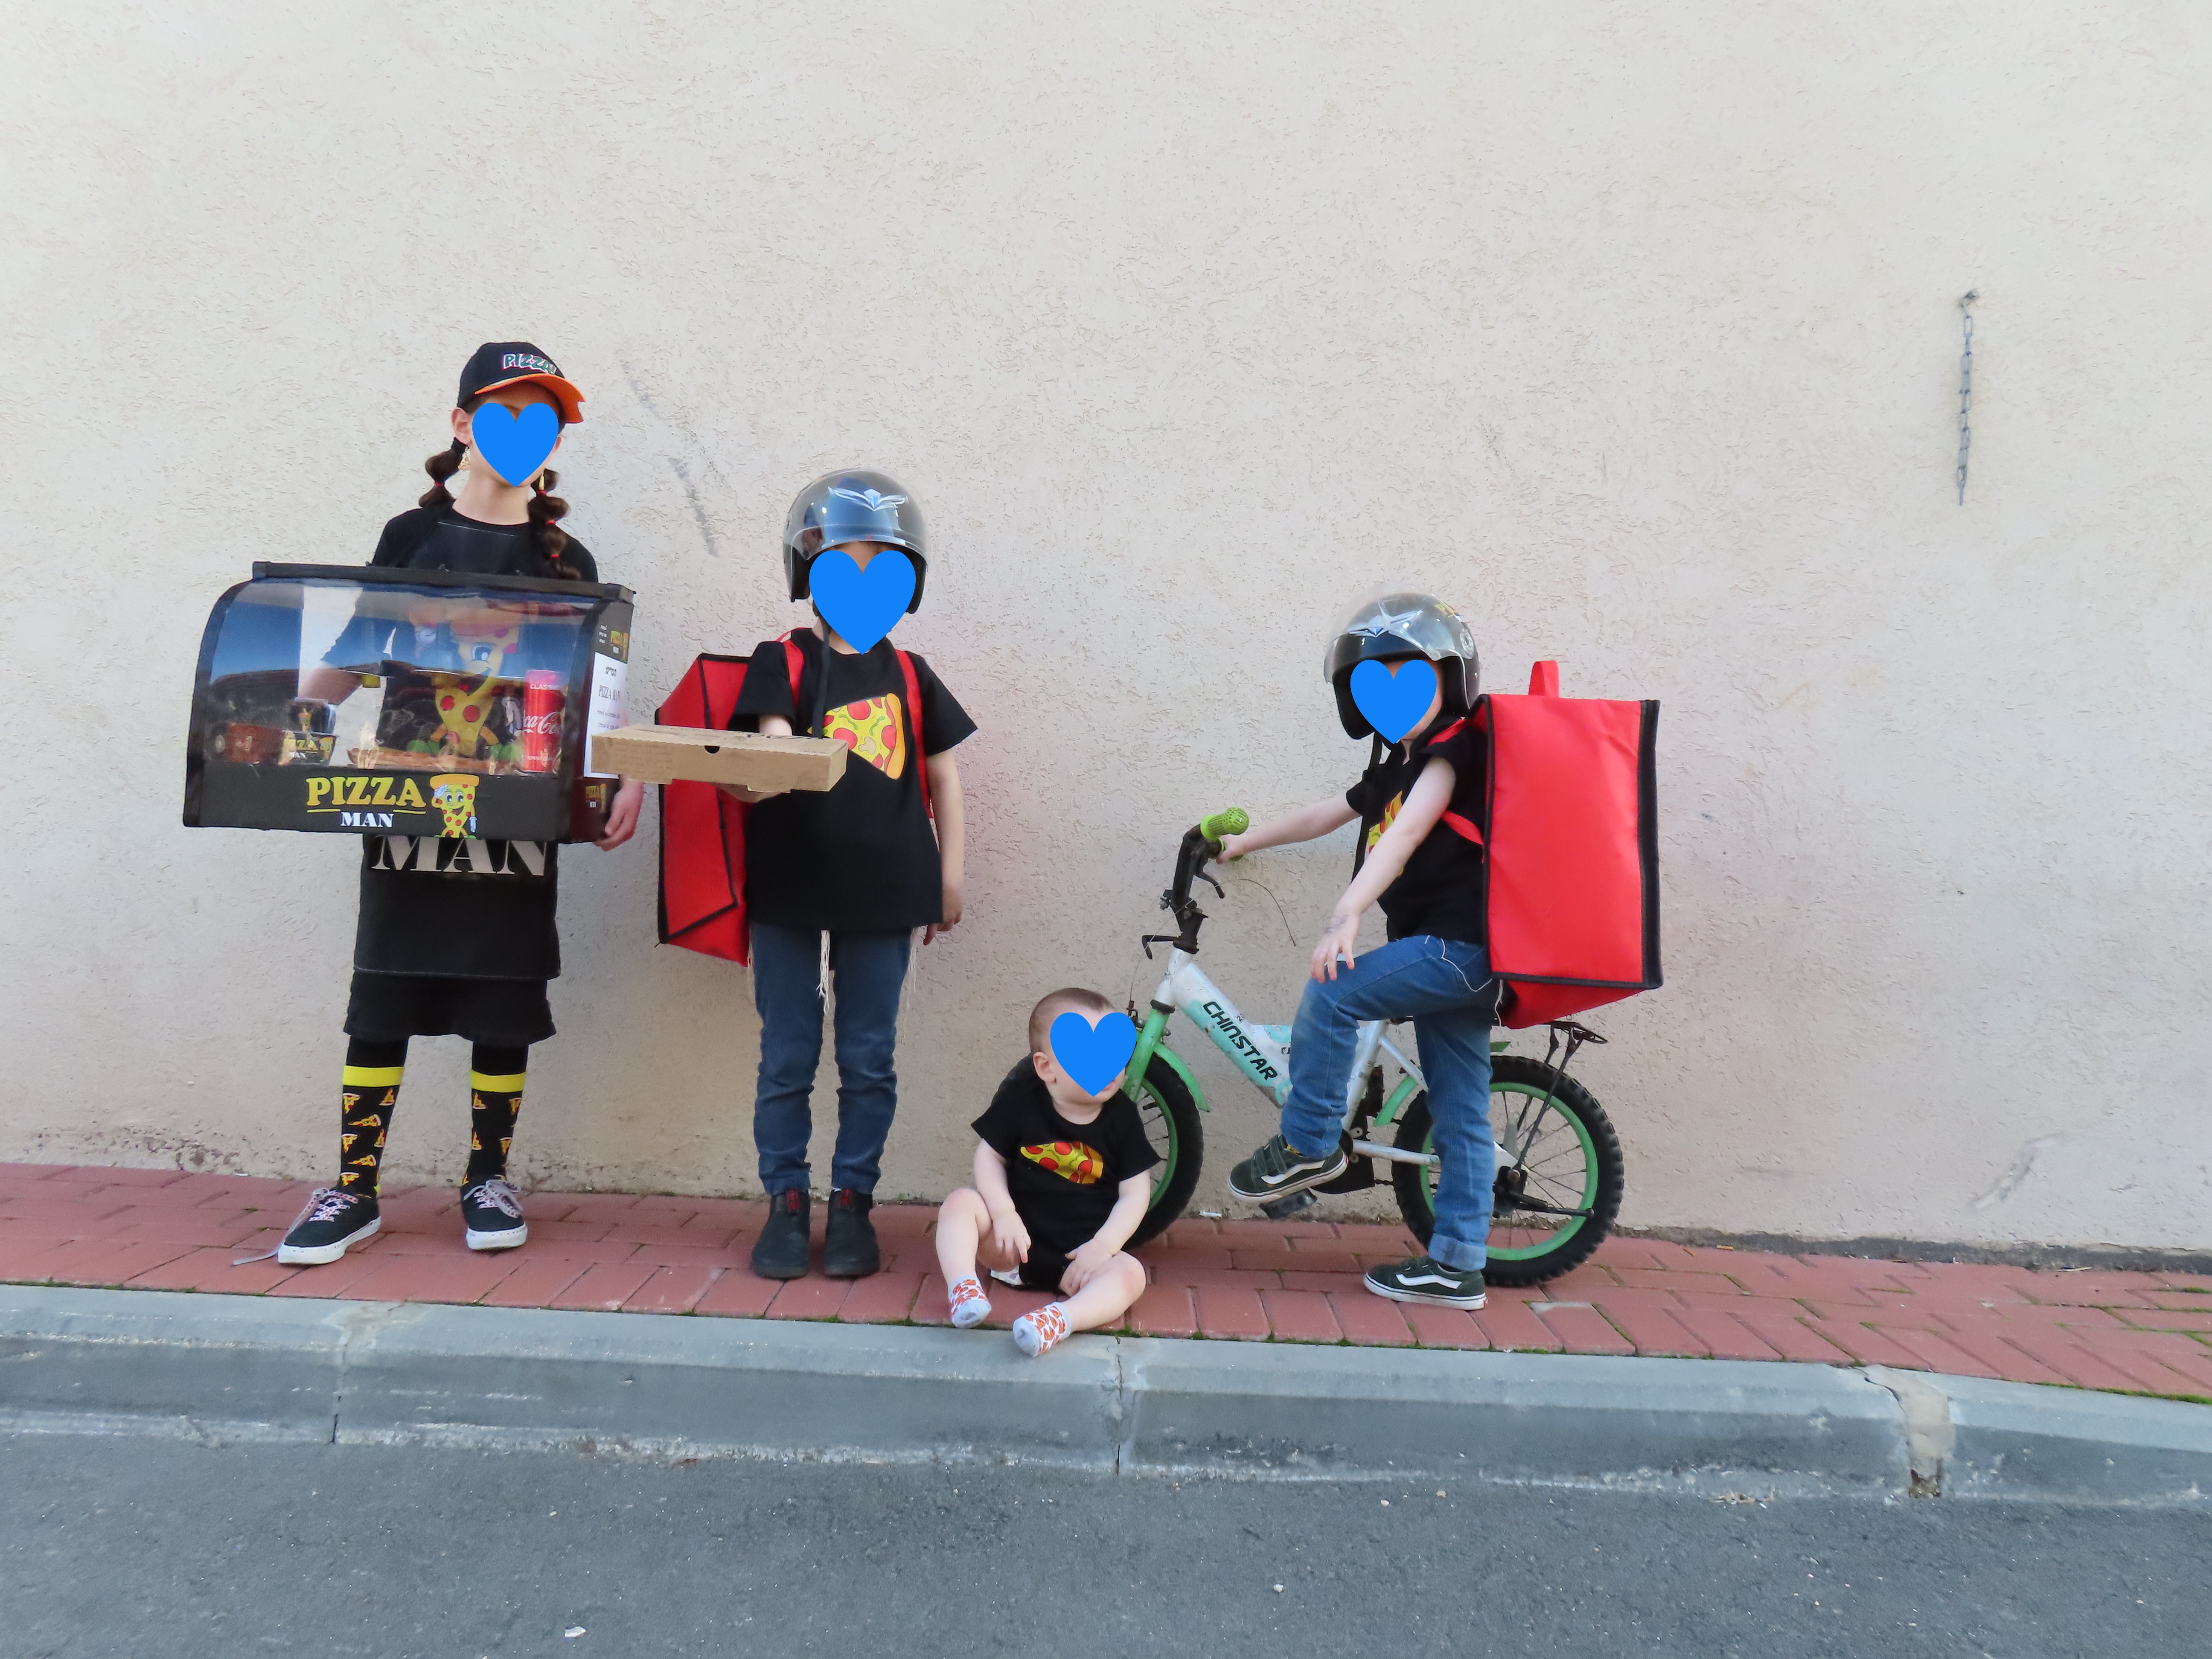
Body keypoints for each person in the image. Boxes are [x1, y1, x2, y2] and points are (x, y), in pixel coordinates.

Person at [273, 343, 645, 1266]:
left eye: (541, 416)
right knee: (383, 992)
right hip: (405, 800)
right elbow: (356, 651)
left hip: (517, 808)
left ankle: (488, 1177)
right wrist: (288, 722)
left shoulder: (568, 559)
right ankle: (355, 1186)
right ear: (460, 424)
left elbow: (592, 693)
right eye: (503, 411)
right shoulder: (410, 537)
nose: (521, 432)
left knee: (502, 997)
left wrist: (624, 771)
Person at [725, 471, 974, 1281]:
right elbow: (769, 752)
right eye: (844, 563)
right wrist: (759, 769)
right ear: (810, 571)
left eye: (881, 565)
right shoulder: (782, 660)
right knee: (787, 1054)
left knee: (869, 1056)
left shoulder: (912, 674)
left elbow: (943, 781)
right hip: (790, 889)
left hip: (888, 891)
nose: (862, 581)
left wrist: (950, 877)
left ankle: (853, 1203)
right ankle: (786, 1202)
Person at [1219, 593, 1499, 1308]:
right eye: (1372, 683)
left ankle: (1310, 1143)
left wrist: (1345, 915)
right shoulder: (1396, 767)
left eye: (1410, 677)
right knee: (1460, 1111)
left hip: (1456, 949)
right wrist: (1246, 841)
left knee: (1334, 987)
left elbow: (1405, 835)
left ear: (1450, 679)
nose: (1390, 696)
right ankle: (1457, 1265)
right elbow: (1327, 814)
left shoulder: (1451, 751)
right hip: (1459, 959)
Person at [933, 988, 1157, 1356]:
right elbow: (989, 1157)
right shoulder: (1023, 1100)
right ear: (1046, 1068)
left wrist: (1103, 1247)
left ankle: (1060, 1319)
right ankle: (963, 1287)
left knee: (1131, 1275)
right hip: (1012, 1250)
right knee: (960, 1204)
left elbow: (1135, 1194)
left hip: (1079, 1262)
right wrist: (1003, 1214)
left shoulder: (1122, 1118)